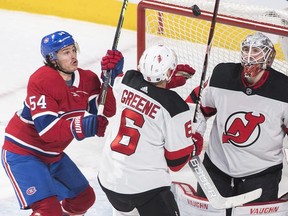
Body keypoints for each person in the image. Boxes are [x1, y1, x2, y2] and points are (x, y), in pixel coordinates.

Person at [1, 30, 118, 216]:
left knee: (84, 199)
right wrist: (84, 125)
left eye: (73, 50)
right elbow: (47, 131)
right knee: (48, 211)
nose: (73, 56)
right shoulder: (42, 80)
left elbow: (106, 110)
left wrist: (108, 81)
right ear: (52, 59)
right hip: (23, 153)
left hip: (53, 155)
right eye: (66, 52)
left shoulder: (86, 79)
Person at [186, 32, 288, 215]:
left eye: (256, 50)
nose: (249, 56)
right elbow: (196, 103)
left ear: (269, 56)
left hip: (262, 174)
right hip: (217, 167)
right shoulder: (221, 76)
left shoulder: (284, 90)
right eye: (246, 49)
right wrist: (194, 133)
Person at [97, 44, 204, 216]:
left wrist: (108, 72)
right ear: (170, 73)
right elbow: (176, 163)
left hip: (109, 181)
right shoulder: (175, 107)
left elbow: (123, 82)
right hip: (146, 189)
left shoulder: (126, 80)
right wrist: (194, 142)